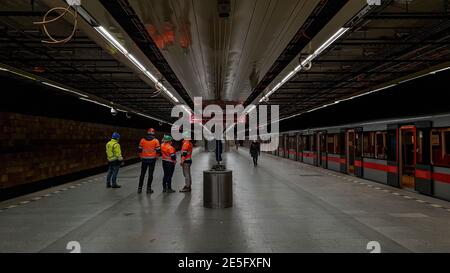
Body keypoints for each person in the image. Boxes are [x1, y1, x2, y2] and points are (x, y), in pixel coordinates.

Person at [137, 128, 161, 194]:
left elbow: (139, 149)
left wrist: (141, 156)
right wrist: (157, 156)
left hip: (144, 159)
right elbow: (158, 150)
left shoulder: (142, 140)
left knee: (142, 174)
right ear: (154, 133)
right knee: (150, 174)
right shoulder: (156, 141)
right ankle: (148, 189)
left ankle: (139, 188)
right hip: (152, 160)